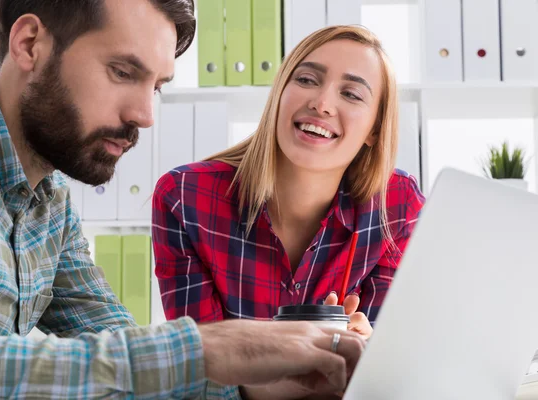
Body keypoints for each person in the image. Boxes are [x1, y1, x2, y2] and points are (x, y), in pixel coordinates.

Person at [0, 1, 366, 399]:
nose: (144, 115)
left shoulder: (50, 200)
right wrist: (205, 347)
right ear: (30, 44)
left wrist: (268, 382)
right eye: (123, 72)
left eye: (156, 87)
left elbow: (127, 357)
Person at [152, 25, 426, 340]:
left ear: (374, 131)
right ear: (279, 93)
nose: (322, 103)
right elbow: (206, 369)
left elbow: (384, 365)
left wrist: (366, 349)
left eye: (351, 94)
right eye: (307, 80)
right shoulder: (185, 198)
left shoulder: (397, 204)